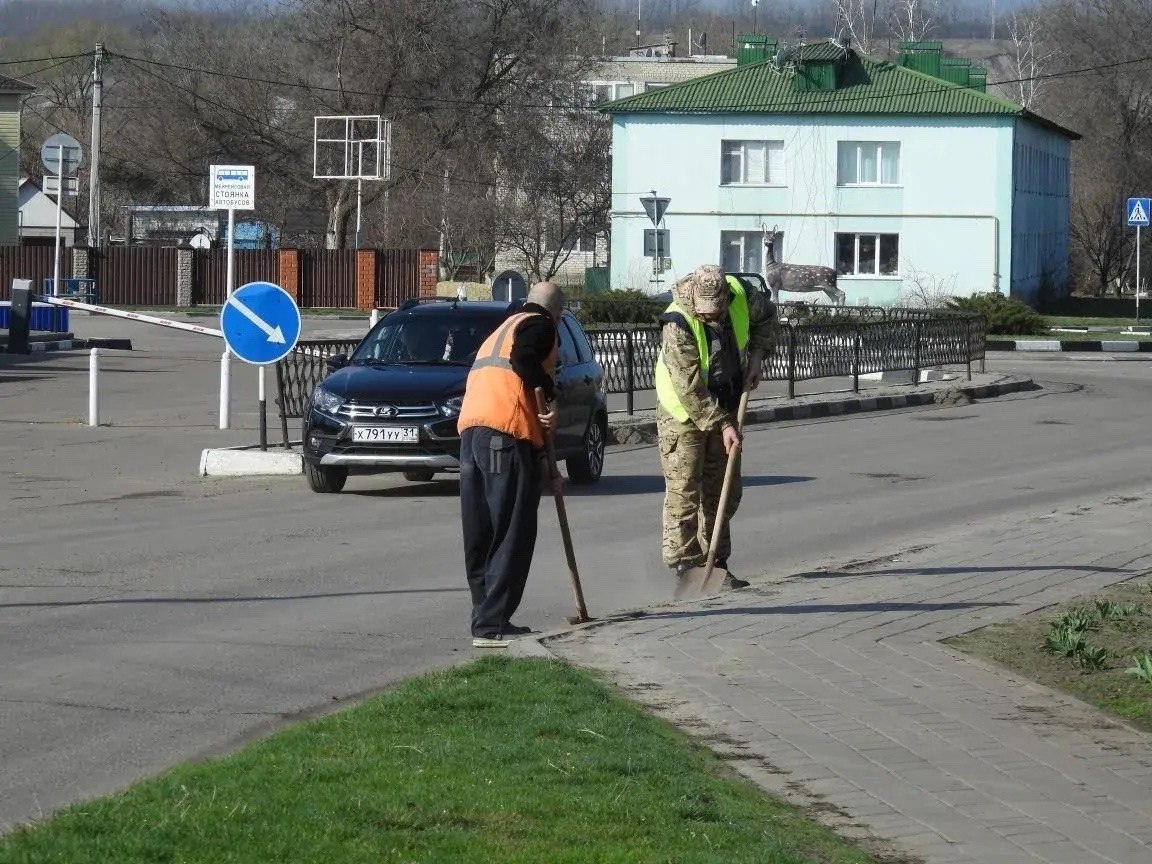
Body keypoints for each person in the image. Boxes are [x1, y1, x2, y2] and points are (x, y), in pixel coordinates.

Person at [654, 265, 777, 590]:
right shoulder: (677, 322)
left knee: (723, 489)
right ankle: (687, 567)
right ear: (694, 299)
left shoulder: (742, 294)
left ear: (726, 297)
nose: (714, 319)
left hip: (726, 401)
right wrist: (722, 425)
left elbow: (767, 318)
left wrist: (757, 356)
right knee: (684, 491)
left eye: (719, 312)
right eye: (707, 315)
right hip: (682, 414)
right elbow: (689, 389)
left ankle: (717, 564)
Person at [457, 282, 566, 647]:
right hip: (505, 436)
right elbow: (524, 361)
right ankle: (492, 624)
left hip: (473, 433)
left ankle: (486, 616)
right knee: (512, 530)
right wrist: (548, 396)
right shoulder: (539, 325)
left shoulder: (500, 330)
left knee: (482, 532)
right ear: (557, 315)